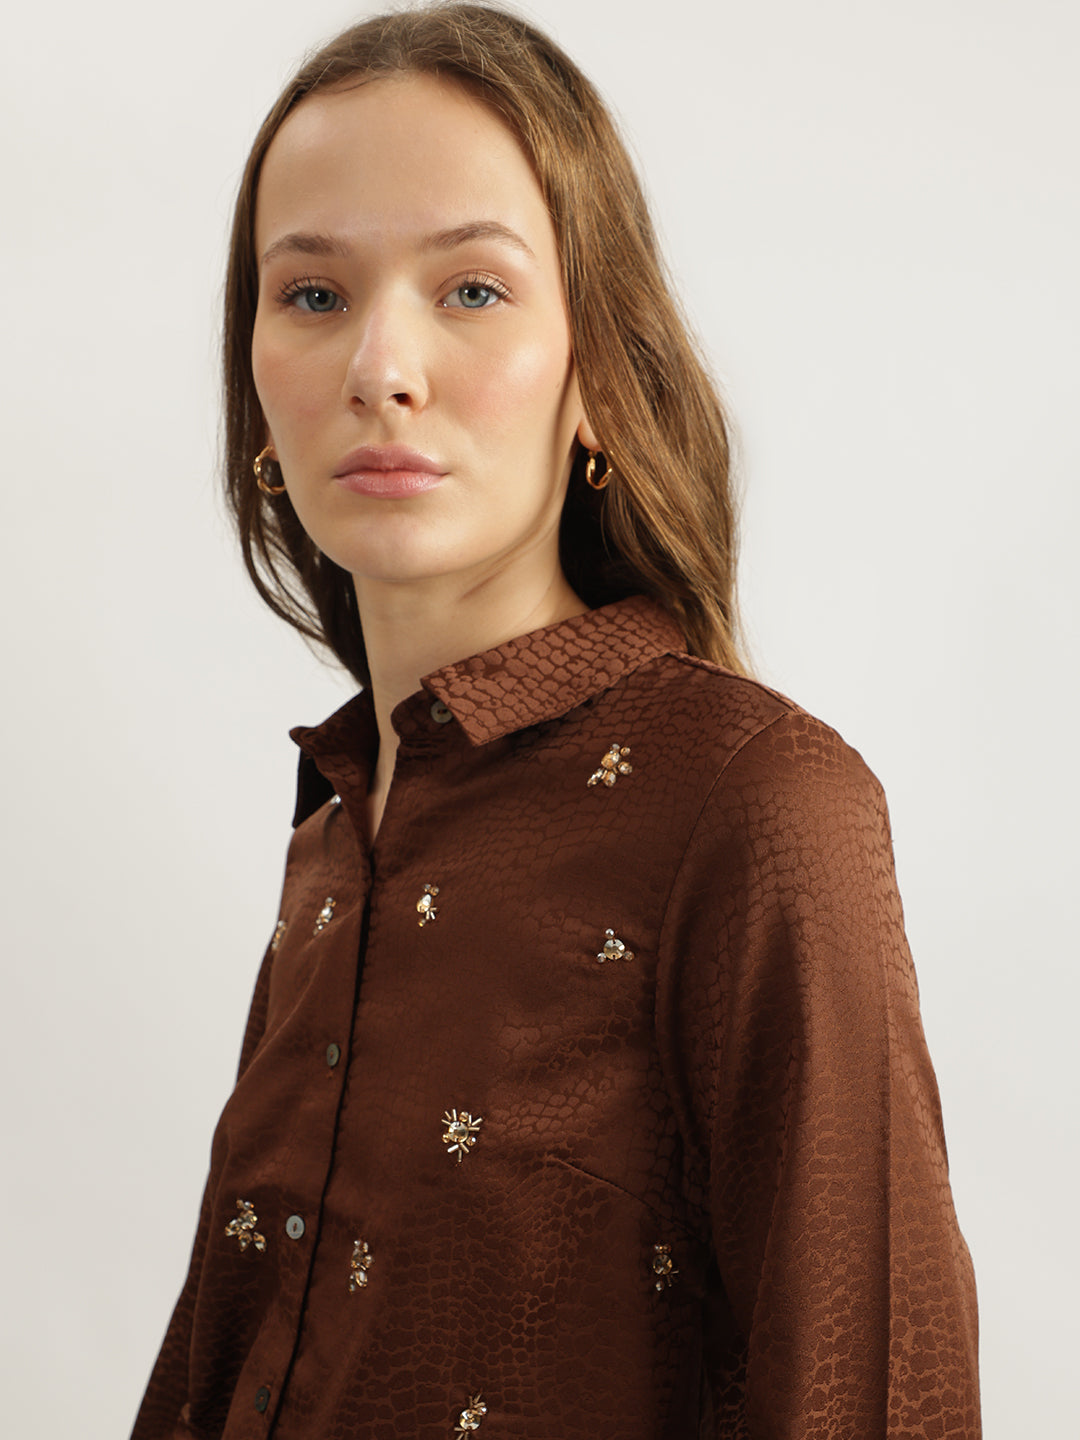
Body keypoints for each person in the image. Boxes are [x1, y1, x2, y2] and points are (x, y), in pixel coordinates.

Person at [131, 4, 980, 1436]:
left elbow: (870, 1392)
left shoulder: (758, 806)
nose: (380, 367)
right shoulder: (341, 829)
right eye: (314, 293)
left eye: (472, 289)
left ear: (598, 372)